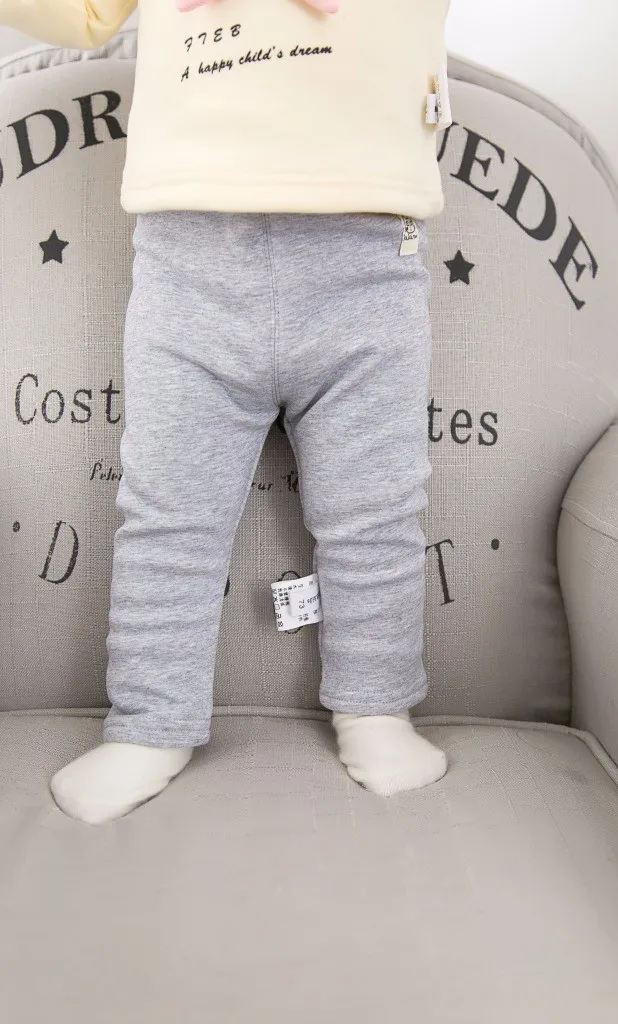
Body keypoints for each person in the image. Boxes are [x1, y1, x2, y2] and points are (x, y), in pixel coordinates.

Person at [0, 0, 452, 824]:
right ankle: (150, 722)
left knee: (376, 509)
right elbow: (85, 13)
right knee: (169, 512)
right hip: (189, 259)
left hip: (367, 258)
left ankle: (377, 706)